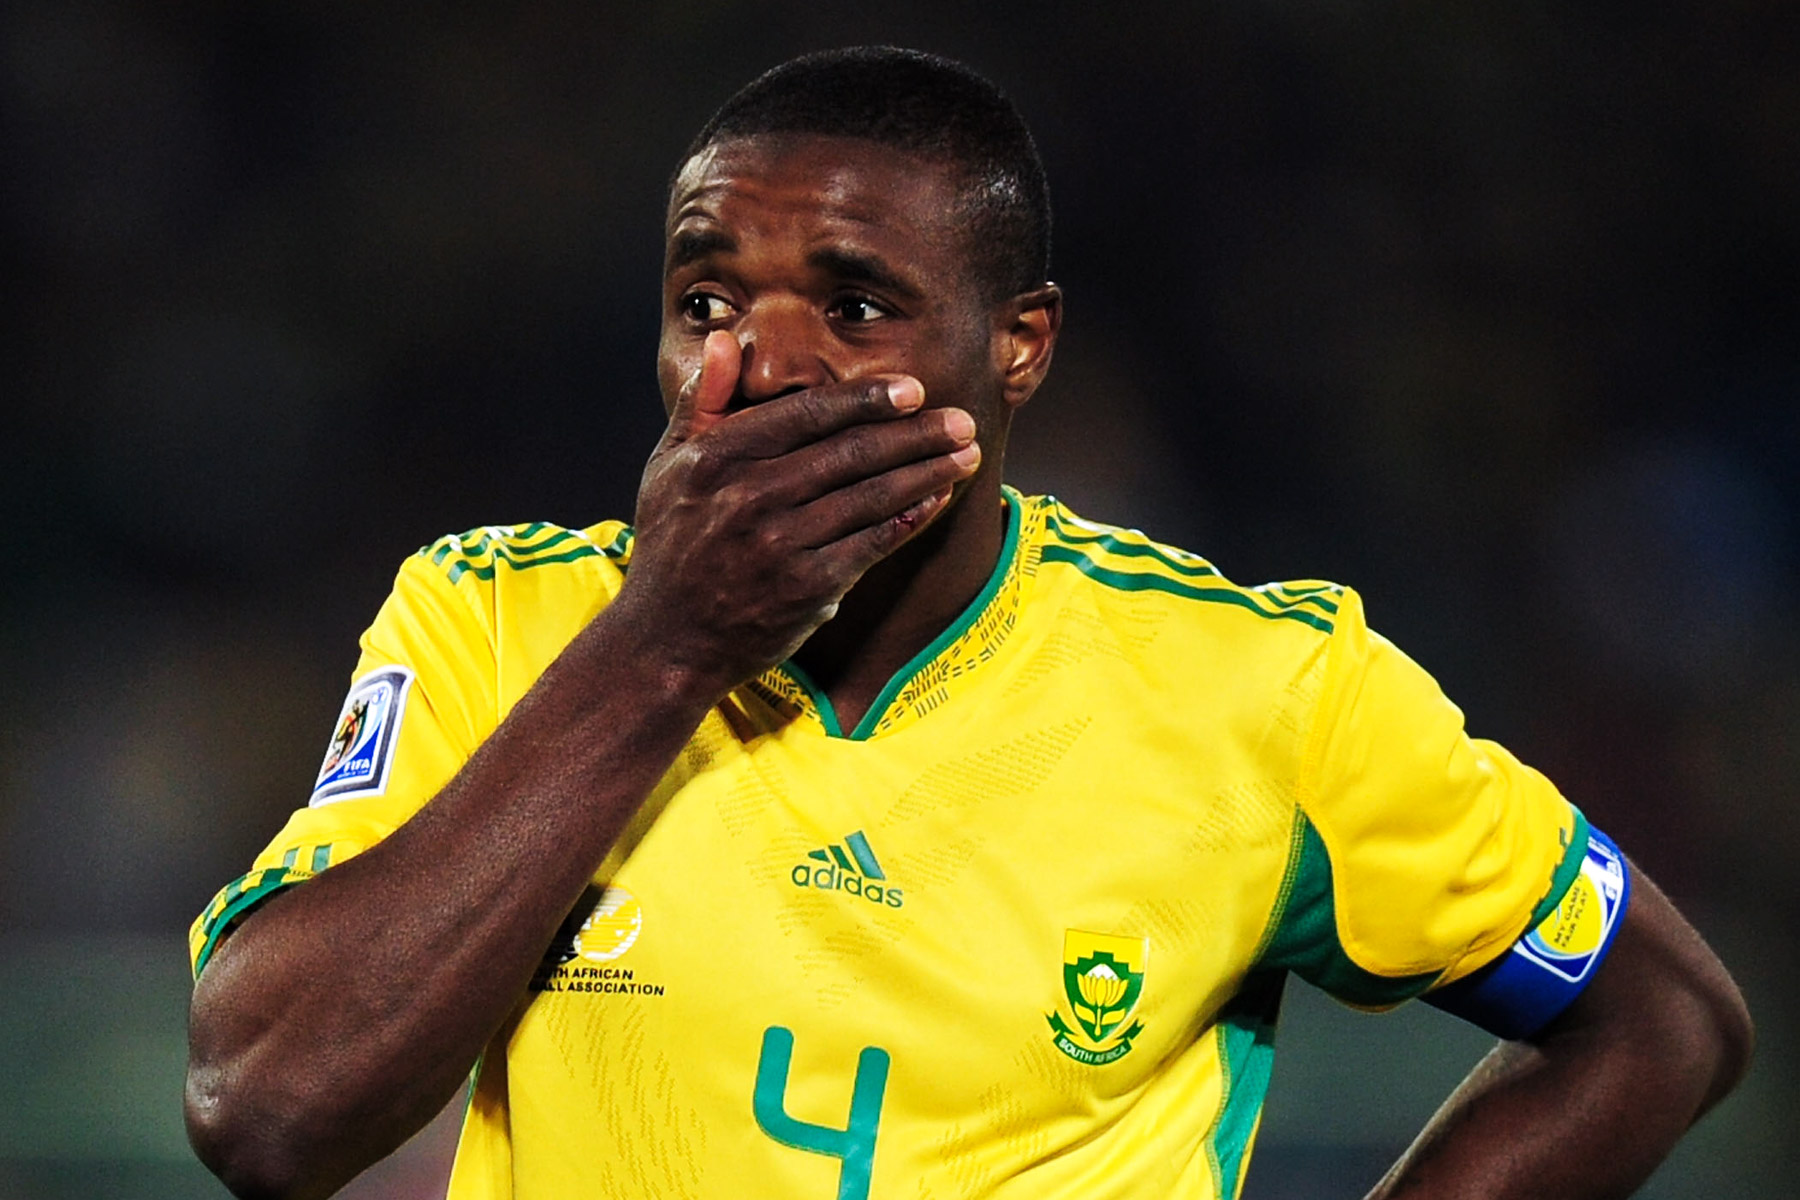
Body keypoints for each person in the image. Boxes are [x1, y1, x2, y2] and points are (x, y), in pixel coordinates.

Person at [184, 47, 1752, 1200]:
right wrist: (664, 648)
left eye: (854, 305)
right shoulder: (500, 620)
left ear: (1018, 350)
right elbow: (265, 1109)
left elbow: (1660, 1021)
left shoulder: (1255, 688)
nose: (761, 368)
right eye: (707, 302)